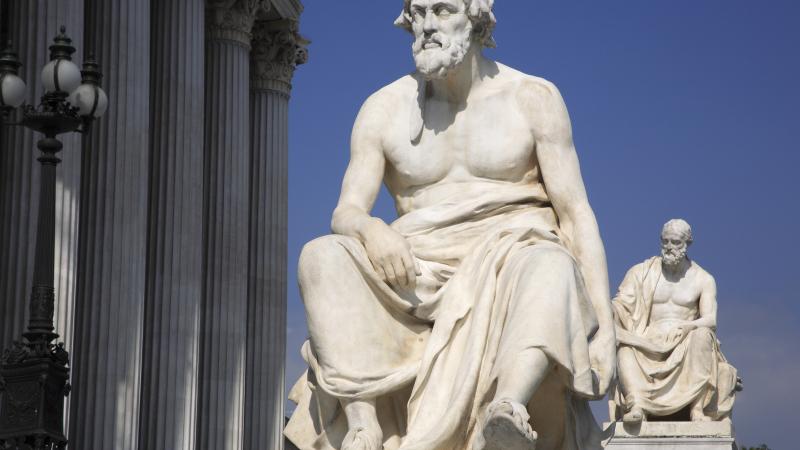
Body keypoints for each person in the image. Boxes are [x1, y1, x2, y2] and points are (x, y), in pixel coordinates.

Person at [285, 1, 616, 448]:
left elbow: (575, 214)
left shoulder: (532, 97)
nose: (426, 26)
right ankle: (364, 425)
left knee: (550, 263)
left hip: (511, 256)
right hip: (414, 267)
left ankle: (507, 409)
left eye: (441, 10)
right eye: (417, 13)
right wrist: (371, 230)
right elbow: (346, 210)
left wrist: (607, 332)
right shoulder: (383, 108)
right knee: (320, 256)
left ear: (476, 17)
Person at [611, 219, 739, 424]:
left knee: (703, 335)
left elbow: (710, 319)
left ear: (687, 243)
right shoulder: (642, 272)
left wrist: (689, 326)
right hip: (648, 342)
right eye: (665, 241)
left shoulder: (703, 279)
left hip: (684, 340)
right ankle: (637, 405)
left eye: (676, 242)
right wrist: (606, 309)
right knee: (624, 348)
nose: (669, 247)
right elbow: (620, 305)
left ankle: (696, 409)